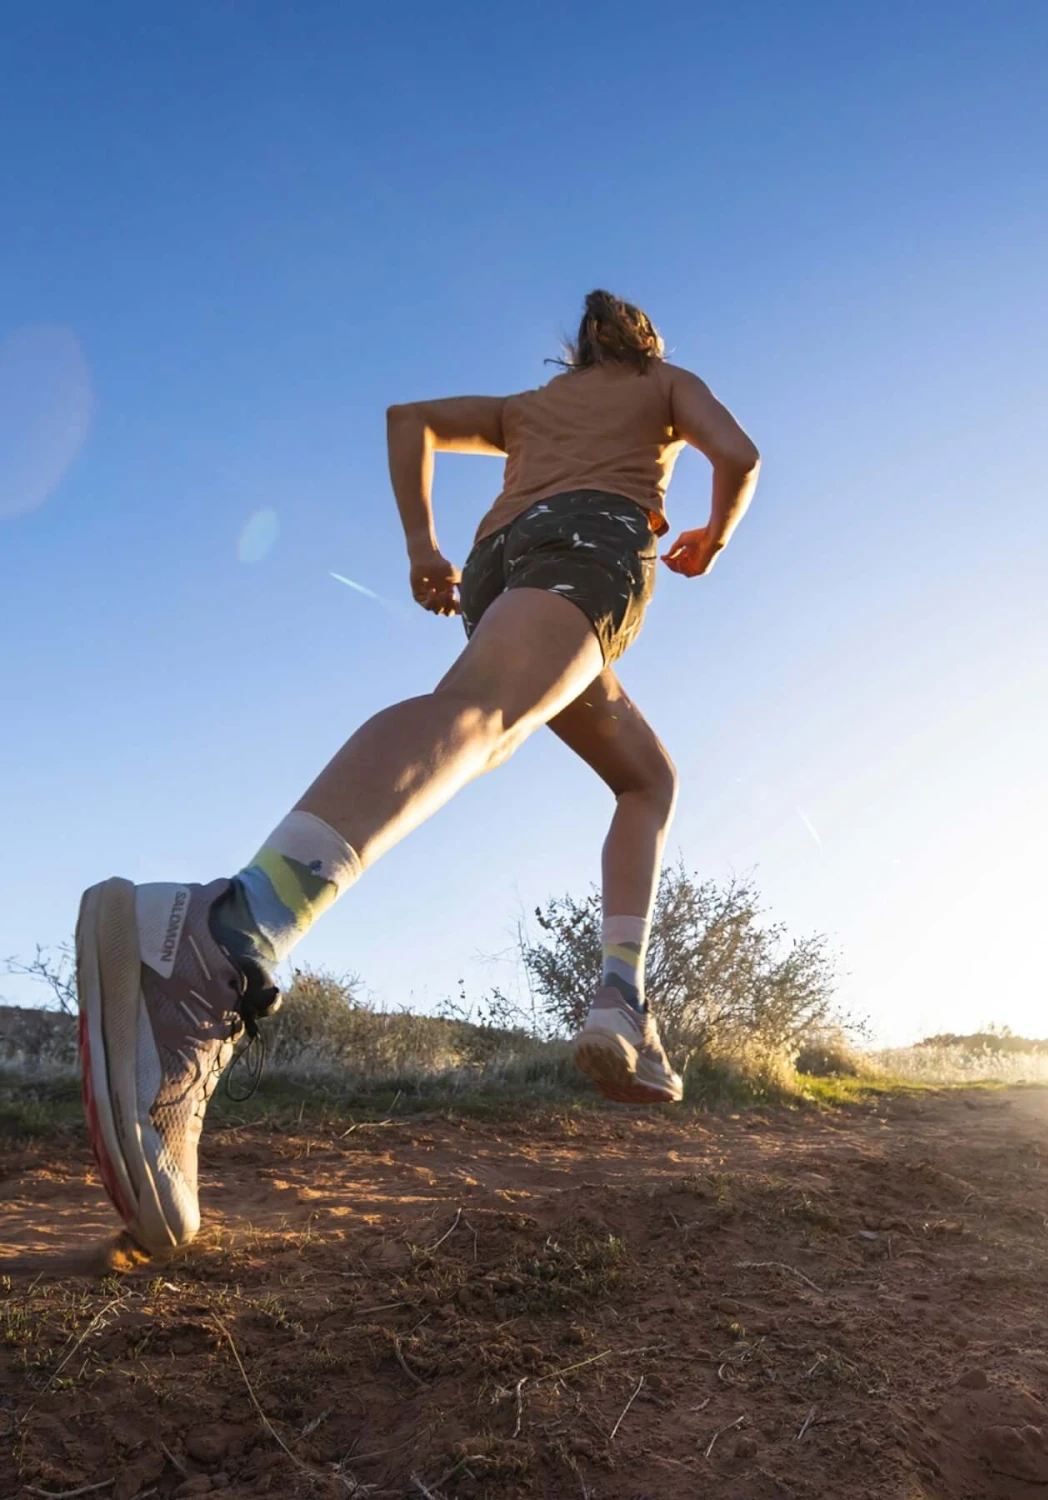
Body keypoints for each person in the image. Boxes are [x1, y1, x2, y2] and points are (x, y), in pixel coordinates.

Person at [74, 290, 761, 1256]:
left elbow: (412, 421)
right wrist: (712, 536)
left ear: (578, 351)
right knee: (479, 719)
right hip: (591, 548)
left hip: (500, 563)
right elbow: (739, 456)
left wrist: (422, 548)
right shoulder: (666, 384)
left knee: (645, 777)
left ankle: (621, 997)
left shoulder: (530, 408)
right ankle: (226, 933)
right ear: (645, 345)